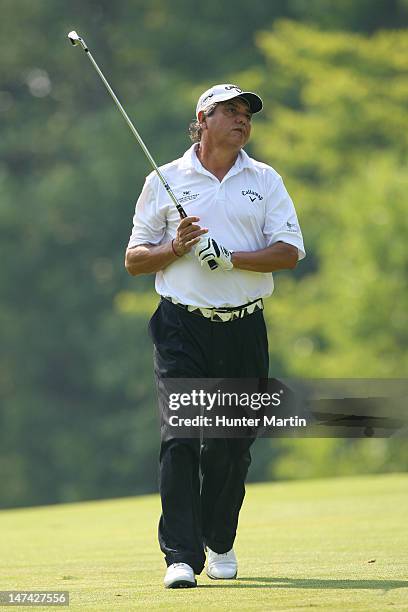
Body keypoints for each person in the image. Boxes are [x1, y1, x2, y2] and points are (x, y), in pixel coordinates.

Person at [125, 84, 305, 588]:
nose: (242, 119)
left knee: (230, 444)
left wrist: (230, 257)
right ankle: (180, 556)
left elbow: (288, 252)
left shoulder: (264, 179)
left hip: (244, 328)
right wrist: (174, 248)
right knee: (180, 436)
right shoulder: (164, 179)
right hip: (181, 326)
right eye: (231, 111)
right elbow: (135, 260)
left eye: (246, 113)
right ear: (202, 118)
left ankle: (218, 539)